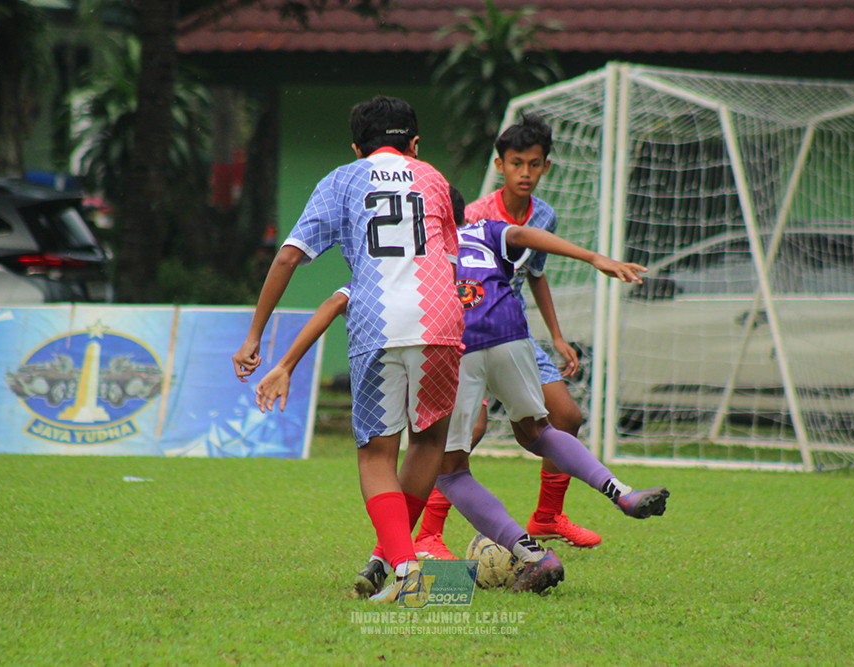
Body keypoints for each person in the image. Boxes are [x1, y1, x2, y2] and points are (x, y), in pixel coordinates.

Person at [257, 186, 669, 598]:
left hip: (456, 345)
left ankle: (528, 554)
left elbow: (335, 302)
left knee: (448, 470)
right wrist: (593, 256)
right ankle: (622, 492)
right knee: (538, 432)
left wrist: (284, 364)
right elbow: (524, 236)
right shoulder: (484, 231)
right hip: (511, 332)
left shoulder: (407, 257)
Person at [233, 96, 464, 604]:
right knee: (427, 441)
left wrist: (255, 336)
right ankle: (390, 558)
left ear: (357, 148)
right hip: (443, 320)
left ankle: (405, 569)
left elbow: (288, 256)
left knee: (376, 453)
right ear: (415, 143)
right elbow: (452, 259)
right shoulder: (437, 181)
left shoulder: (343, 179)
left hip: (378, 321)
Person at [413, 111, 602, 559]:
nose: (525, 173)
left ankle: (548, 517)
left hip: (514, 332)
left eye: (534, 164)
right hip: (469, 333)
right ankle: (428, 534)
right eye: (517, 163)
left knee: (567, 417)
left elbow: (535, 274)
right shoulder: (477, 214)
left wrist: (556, 337)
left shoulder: (545, 216)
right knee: (470, 431)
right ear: (500, 165)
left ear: (545, 167)